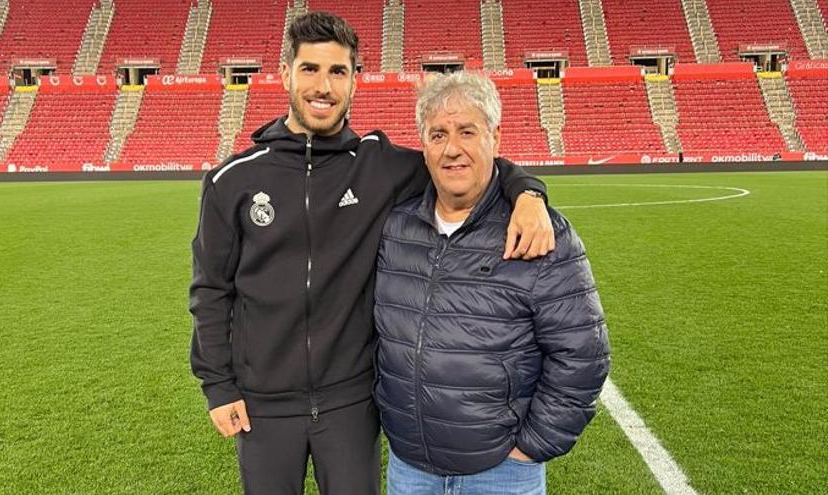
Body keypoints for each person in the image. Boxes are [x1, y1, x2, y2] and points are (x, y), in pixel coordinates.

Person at [189, 12, 554, 495]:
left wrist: (528, 192)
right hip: (263, 405)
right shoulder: (231, 180)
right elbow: (211, 290)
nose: (323, 86)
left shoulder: (378, 167)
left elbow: (462, 160)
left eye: (338, 71)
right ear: (286, 74)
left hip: (351, 404)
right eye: (310, 69)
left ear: (354, 80)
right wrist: (219, 385)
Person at [373, 71, 610, 494]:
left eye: (467, 131)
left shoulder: (539, 232)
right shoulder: (395, 227)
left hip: (501, 473)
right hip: (410, 469)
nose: (452, 149)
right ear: (423, 146)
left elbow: (583, 352)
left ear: (495, 139)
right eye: (438, 134)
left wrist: (534, 446)